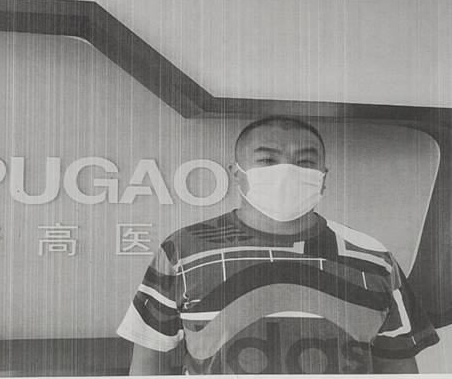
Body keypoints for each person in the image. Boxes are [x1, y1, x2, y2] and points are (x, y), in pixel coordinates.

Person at [116, 116, 439, 374]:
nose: (287, 171)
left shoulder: (374, 257)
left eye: (305, 161)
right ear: (237, 174)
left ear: (323, 176)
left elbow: (397, 363)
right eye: (268, 159)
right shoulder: (184, 250)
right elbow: (150, 358)